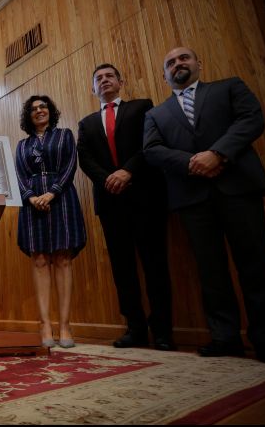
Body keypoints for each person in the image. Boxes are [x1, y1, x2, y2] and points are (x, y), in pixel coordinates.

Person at [143, 46, 265, 364]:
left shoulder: (229, 87)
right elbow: (152, 150)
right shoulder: (156, 114)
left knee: (255, 265)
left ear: (199, 63)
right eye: (170, 63)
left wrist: (217, 153)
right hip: (192, 197)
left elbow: (252, 119)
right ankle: (225, 336)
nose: (178, 64)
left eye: (184, 58)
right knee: (210, 271)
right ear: (164, 75)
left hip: (238, 188)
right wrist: (193, 162)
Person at [77, 64, 175, 351]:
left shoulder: (142, 107)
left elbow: (150, 144)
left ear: (121, 81)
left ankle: (162, 332)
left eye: (109, 76)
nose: (104, 81)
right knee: (123, 268)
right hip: (110, 203)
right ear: (93, 89)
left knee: (155, 264)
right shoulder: (86, 123)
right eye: (98, 79)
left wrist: (127, 172)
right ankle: (135, 328)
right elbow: (85, 158)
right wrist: (108, 178)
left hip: (145, 196)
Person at [15, 95, 87, 348]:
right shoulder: (22, 145)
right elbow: (20, 176)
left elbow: (70, 166)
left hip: (62, 198)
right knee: (40, 259)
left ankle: (65, 326)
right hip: (32, 203)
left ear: (50, 111)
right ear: (28, 116)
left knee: (63, 258)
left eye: (43, 106)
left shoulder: (65, 135)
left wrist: (52, 191)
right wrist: (31, 197)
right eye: (33, 109)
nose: (39, 111)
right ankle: (45, 324)